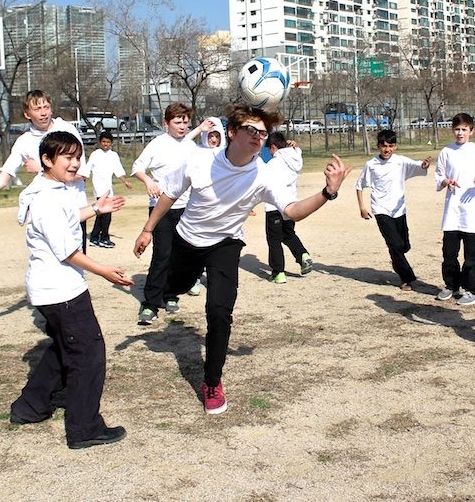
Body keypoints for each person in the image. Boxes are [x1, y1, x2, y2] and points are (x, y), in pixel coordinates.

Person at [133, 104, 351, 415]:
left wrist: (328, 192)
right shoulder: (198, 160)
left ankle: (212, 382)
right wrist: (147, 229)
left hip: (226, 244)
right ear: (231, 133)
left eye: (263, 133)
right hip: (188, 240)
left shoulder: (263, 175)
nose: (258, 137)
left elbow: (291, 211)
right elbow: (168, 194)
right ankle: (167, 291)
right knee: (176, 286)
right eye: (251, 130)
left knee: (219, 312)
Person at [9, 131, 132, 448]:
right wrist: (105, 271)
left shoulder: (54, 189)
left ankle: (30, 406)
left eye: (78, 156)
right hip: (60, 290)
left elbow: (66, 220)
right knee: (88, 355)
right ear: (47, 160)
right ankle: (84, 428)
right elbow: (66, 250)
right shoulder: (46, 198)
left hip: (56, 288)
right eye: (67, 157)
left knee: (66, 347)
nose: (75, 163)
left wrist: (95, 208)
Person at [0, 90, 89, 247]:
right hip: (45, 211)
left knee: (75, 267)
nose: (43, 113)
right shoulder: (24, 142)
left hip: (74, 210)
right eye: (37, 109)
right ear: (27, 114)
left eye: (46, 107)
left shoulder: (67, 130)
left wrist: (41, 169)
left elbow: (82, 173)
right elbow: (3, 179)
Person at [130, 103, 214, 324]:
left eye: (186, 121)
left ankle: (170, 295)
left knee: (180, 256)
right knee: (162, 255)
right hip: (161, 209)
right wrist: (148, 181)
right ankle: (150, 303)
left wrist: (202, 129)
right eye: (177, 122)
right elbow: (137, 167)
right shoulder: (157, 144)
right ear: (166, 123)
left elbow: (192, 150)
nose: (182, 126)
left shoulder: (190, 145)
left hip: (187, 209)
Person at [355, 129, 431, 291]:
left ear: (395, 146)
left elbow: (419, 166)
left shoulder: (400, 161)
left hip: (399, 209)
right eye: (384, 146)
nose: (387, 149)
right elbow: (359, 186)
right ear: (378, 146)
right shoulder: (371, 165)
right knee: (394, 244)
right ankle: (407, 278)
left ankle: (396, 260)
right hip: (380, 209)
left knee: (403, 246)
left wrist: (424, 165)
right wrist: (362, 207)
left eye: (390, 146)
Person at [433, 113, 475, 305]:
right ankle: (451, 285)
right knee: (449, 253)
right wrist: (446, 181)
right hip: (452, 211)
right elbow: (439, 176)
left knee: (471, 254)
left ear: (471, 131)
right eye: (457, 129)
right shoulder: (446, 152)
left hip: (471, 211)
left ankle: (472, 289)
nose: (460, 133)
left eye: (464, 129)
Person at [262, 132, 314, 283]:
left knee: (274, 240)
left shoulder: (273, 164)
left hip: (274, 207)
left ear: (273, 147)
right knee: (288, 234)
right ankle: (303, 255)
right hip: (292, 205)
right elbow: (296, 151)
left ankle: (278, 273)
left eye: (269, 150)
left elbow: (264, 184)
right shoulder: (294, 158)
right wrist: (294, 147)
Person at [85, 131, 132, 248]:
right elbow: (87, 168)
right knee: (104, 214)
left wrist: (125, 181)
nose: (106, 144)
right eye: (103, 142)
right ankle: (100, 237)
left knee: (104, 213)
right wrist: (83, 180)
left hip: (108, 187)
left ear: (111, 143)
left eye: (108, 142)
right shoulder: (95, 154)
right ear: (100, 142)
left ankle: (99, 237)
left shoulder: (113, 155)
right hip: (99, 187)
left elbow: (118, 170)